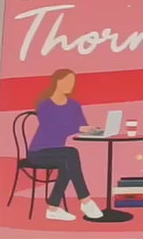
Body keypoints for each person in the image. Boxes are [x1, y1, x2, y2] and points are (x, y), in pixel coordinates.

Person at [25, 69, 105, 221]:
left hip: (59, 153)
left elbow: (81, 125)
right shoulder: (45, 105)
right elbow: (52, 127)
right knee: (71, 155)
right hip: (38, 152)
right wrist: (78, 127)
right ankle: (85, 201)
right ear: (57, 81)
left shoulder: (74, 105)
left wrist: (91, 130)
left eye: (72, 82)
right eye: (67, 81)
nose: (70, 84)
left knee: (69, 160)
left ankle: (53, 209)